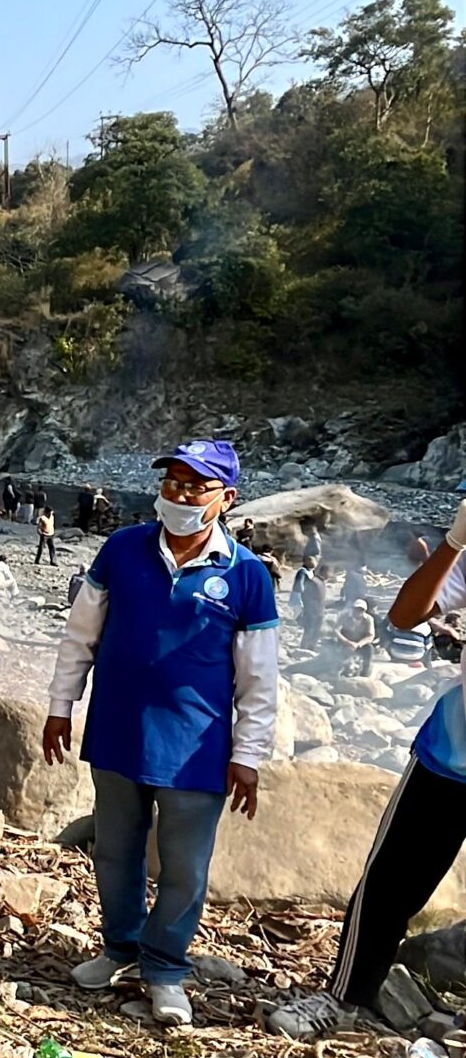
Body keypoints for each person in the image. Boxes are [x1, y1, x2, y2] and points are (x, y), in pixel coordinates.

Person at [42, 437, 278, 1027]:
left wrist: (247, 755)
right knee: (116, 852)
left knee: (184, 867)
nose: (177, 496)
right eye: (170, 483)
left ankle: (165, 967)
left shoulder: (246, 576)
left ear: (226, 498)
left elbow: (259, 678)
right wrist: (60, 705)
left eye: (194, 487)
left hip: (196, 749)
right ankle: (119, 947)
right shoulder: (122, 550)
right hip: (119, 732)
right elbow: (81, 637)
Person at [304, 498, 466, 1025]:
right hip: (452, 753)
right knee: (391, 884)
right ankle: (346, 998)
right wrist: (455, 543)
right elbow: (405, 614)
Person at [337, 598, 375, 678]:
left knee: (369, 649)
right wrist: (347, 642)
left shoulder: (368, 619)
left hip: (359, 642)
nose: (358, 611)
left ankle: (364, 674)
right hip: (345, 640)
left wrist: (358, 644)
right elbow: (336, 630)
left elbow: (370, 635)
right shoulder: (344, 615)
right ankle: (337, 670)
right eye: (357, 609)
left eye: (361, 610)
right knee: (333, 648)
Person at [300, 562, 329, 652]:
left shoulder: (322, 582)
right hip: (311, 611)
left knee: (316, 631)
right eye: (330, 572)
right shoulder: (313, 581)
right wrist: (309, 609)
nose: (331, 575)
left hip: (320, 611)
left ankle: (312, 647)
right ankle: (303, 647)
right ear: (325, 572)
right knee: (309, 629)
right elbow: (305, 596)